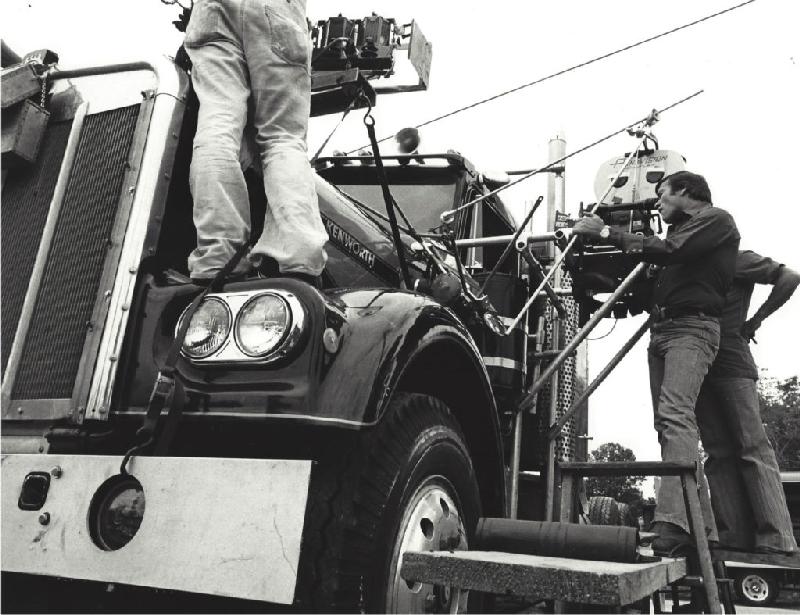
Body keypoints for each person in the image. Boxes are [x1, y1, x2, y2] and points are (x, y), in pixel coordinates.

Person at [573, 170, 740, 555]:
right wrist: (592, 299)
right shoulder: (678, 238)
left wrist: (605, 233)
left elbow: (670, 251)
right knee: (669, 426)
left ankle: (674, 524)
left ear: (685, 191)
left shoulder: (715, 220)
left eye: (662, 193)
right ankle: (702, 530)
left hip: (691, 329)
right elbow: (645, 297)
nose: (657, 201)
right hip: (666, 329)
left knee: (676, 418)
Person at [183, 0, 328, 285]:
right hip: (274, 9)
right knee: (281, 138)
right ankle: (299, 256)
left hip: (211, 9)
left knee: (218, 125)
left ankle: (218, 256)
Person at [696, 250, 800, 554]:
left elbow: (790, 277)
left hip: (732, 361)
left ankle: (776, 536)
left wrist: (755, 320)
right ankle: (732, 536)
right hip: (700, 362)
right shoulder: (689, 262)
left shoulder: (736, 257)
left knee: (751, 445)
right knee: (717, 451)